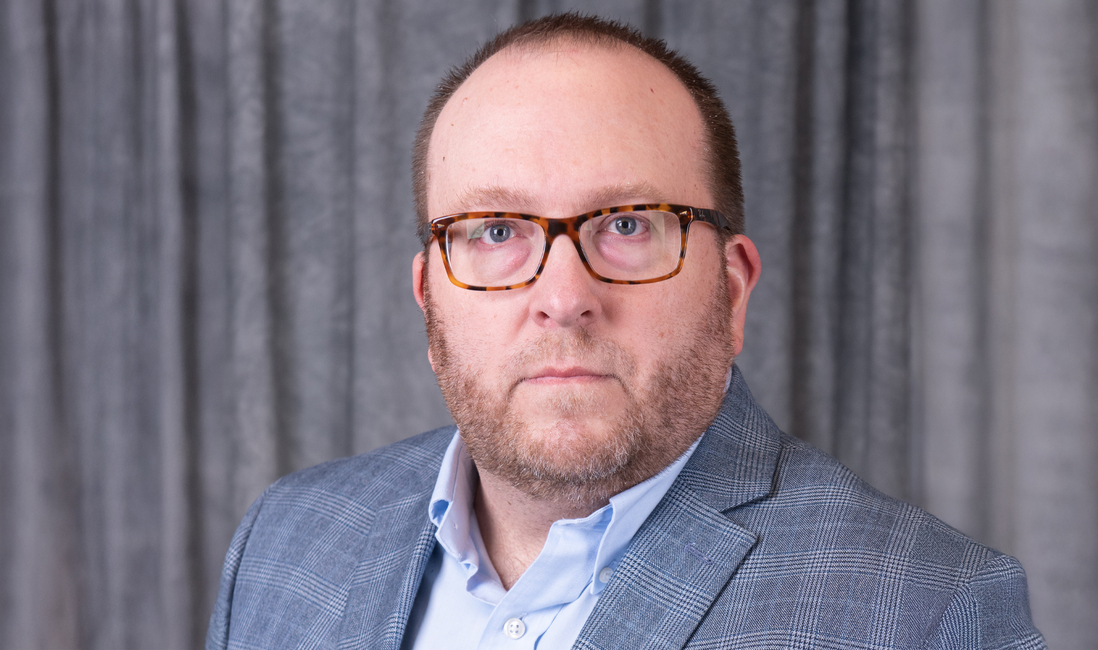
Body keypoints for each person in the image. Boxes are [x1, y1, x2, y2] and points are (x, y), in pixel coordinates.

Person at [207, 13, 1045, 650]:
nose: (562, 297)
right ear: (429, 296)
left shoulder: (927, 610)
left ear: (732, 286)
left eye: (631, 225)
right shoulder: (285, 542)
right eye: (496, 232)